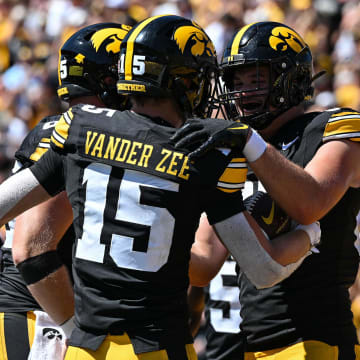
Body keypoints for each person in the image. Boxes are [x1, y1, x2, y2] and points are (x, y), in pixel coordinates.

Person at [0, 15, 320, 359]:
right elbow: (263, 269)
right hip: (156, 347)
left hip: (85, 348)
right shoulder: (206, 152)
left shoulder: (78, 126)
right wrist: (310, 234)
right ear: (182, 82)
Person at [173, 21, 360, 360]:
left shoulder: (336, 128)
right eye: (236, 81)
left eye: (256, 79)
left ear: (292, 78)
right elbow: (203, 263)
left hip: (317, 341)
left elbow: (310, 202)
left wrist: (248, 141)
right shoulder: (235, 148)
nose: (243, 92)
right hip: (251, 345)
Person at [0, 22, 131, 360]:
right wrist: (77, 329)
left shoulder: (58, 127)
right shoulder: (85, 136)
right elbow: (32, 249)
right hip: (41, 314)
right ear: (112, 79)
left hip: (35, 308)